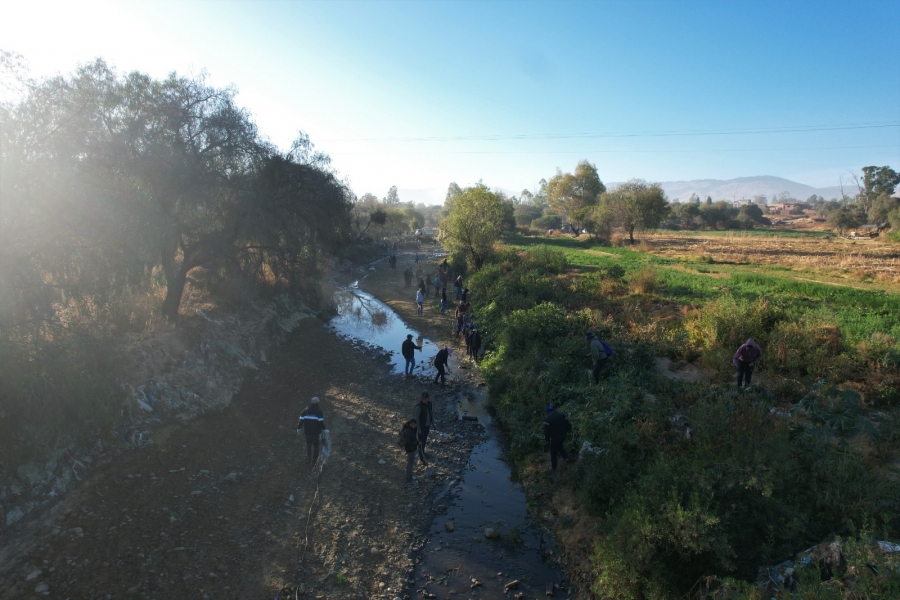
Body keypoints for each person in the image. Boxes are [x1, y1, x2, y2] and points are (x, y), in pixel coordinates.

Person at [297, 396, 327, 470]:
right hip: (316, 432)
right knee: (316, 446)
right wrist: (323, 429)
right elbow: (320, 422)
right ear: (318, 403)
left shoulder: (305, 410)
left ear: (311, 402)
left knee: (308, 445)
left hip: (307, 432)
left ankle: (308, 459)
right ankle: (314, 462)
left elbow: (301, 421)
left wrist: (299, 428)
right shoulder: (319, 411)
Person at [543, 405, 572, 471]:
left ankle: (554, 468)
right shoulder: (562, 415)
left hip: (554, 438)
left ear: (547, 412)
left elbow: (546, 431)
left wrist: (547, 439)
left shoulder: (547, 419)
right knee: (559, 446)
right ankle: (566, 457)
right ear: (554, 410)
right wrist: (568, 431)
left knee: (553, 453)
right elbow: (568, 425)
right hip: (563, 436)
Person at [414, 392, 433, 464]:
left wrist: (433, 423)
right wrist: (418, 429)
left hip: (427, 426)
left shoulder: (430, 404)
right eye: (423, 398)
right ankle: (421, 457)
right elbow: (416, 419)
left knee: (424, 440)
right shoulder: (419, 407)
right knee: (421, 442)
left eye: (425, 398)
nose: (424, 400)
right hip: (421, 427)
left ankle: (423, 453)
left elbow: (431, 413)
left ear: (428, 398)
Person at [399, 419, 420, 484]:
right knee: (410, 464)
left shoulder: (411, 429)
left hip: (411, 448)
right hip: (410, 449)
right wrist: (417, 443)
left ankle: (409, 477)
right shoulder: (408, 431)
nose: (413, 426)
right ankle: (409, 478)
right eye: (412, 425)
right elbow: (409, 442)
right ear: (410, 424)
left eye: (414, 425)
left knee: (410, 463)